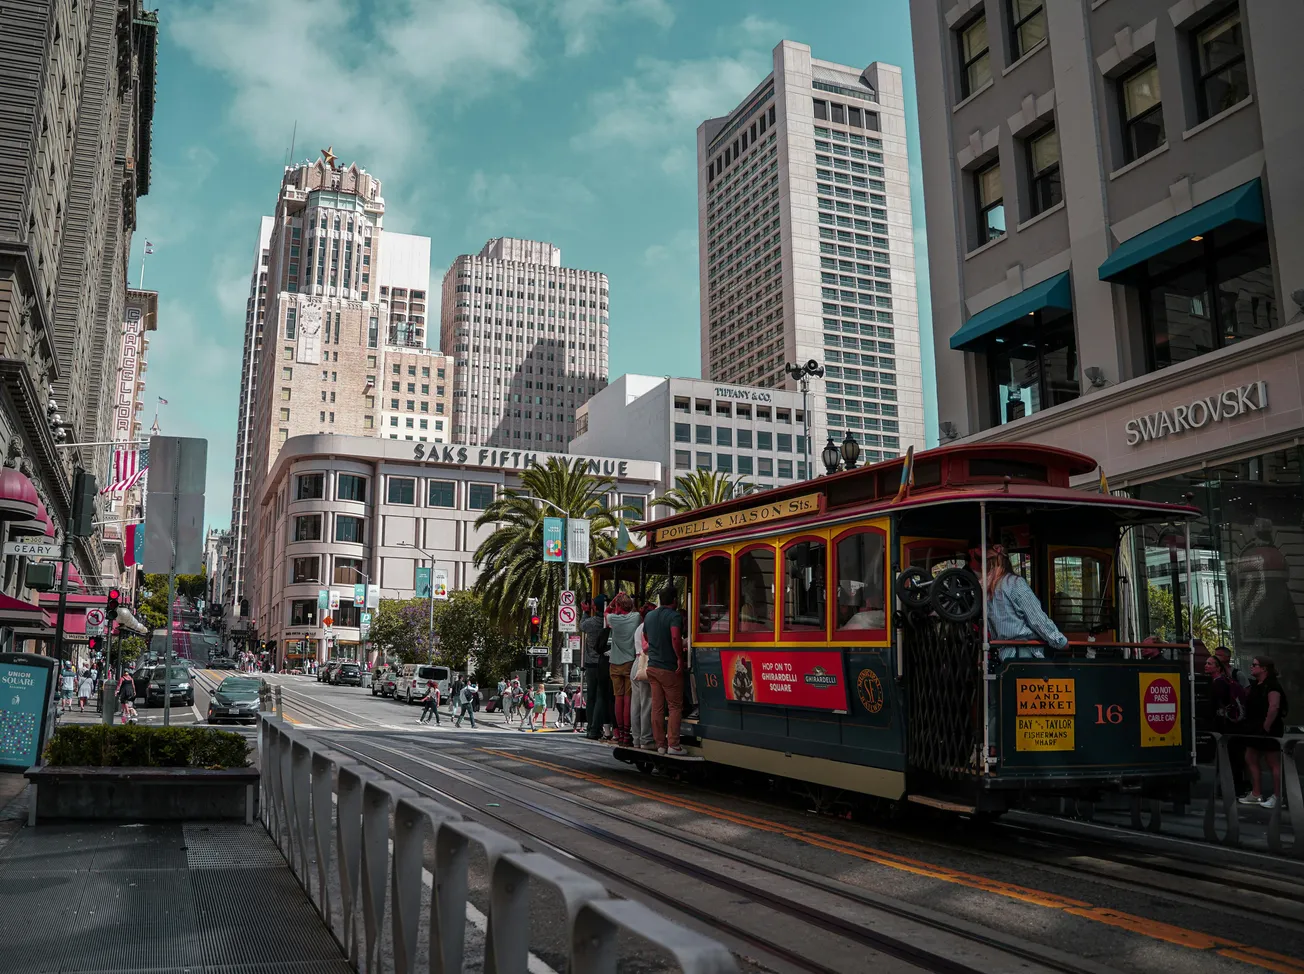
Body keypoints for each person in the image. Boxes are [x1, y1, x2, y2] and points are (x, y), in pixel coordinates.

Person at [982, 545, 1068, 659]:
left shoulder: (986, 589)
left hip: (1003, 654)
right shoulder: (1014, 583)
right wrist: (1059, 641)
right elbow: (1037, 618)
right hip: (1023, 654)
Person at [643, 586, 686, 756]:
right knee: (675, 706)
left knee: (657, 706)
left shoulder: (650, 616)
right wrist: (679, 658)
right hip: (668, 667)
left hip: (652, 666)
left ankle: (660, 744)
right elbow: (676, 637)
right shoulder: (674, 616)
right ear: (675, 600)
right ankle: (674, 745)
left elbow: (646, 636)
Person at [1240, 656, 1288, 808]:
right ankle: (1256, 793)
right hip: (1254, 728)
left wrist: (1266, 727)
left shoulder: (1272, 686)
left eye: (1255, 665)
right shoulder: (1256, 685)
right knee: (1250, 757)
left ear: (1264, 668)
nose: (1252, 667)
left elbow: (1274, 707)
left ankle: (1278, 797)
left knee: (1272, 762)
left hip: (1268, 728)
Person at [607, 593, 640, 746]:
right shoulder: (636, 617)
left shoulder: (613, 619)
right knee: (628, 700)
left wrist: (614, 601)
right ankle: (627, 734)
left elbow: (607, 611)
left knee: (618, 699)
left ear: (619, 606)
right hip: (630, 662)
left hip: (614, 663)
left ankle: (619, 732)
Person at [580, 602, 612, 741]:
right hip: (604, 663)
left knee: (591, 697)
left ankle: (591, 729)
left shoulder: (590, 622)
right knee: (601, 696)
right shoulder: (608, 621)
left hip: (590, 664)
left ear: (595, 607)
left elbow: (582, 625)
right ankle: (596, 728)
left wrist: (585, 612)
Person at [630, 603, 654, 751]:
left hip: (636, 663)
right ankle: (646, 739)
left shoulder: (639, 627)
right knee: (647, 704)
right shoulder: (648, 627)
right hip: (645, 663)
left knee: (636, 705)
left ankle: (636, 738)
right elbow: (648, 647)